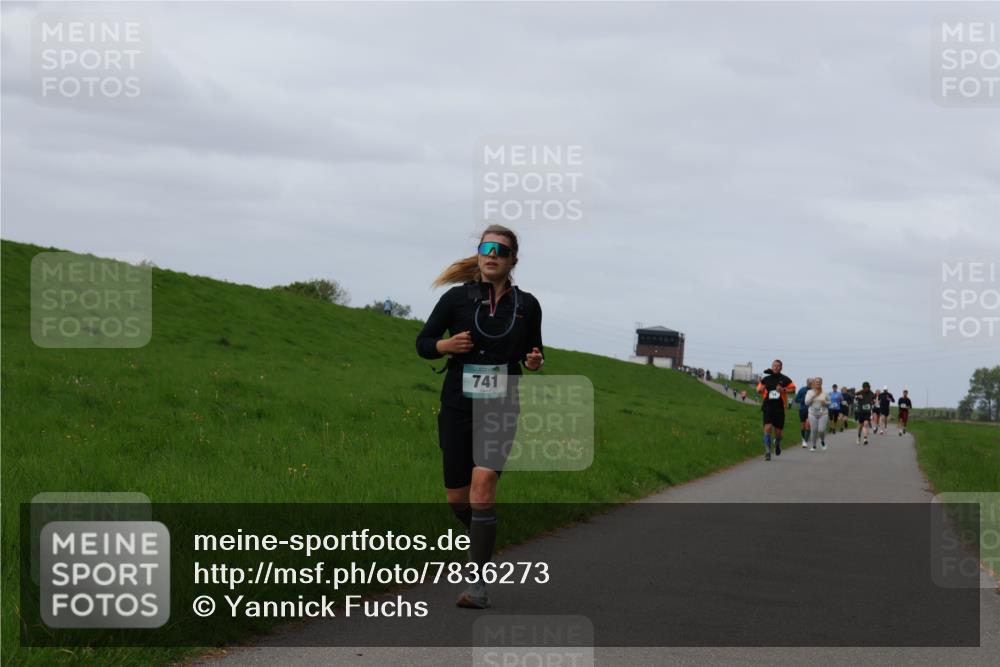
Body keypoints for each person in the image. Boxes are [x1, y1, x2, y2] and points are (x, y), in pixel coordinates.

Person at [415, 224, 544, 609]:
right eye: (486, 248)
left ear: (512, 260)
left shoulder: (527, 305)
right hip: (458, 403)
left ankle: (477, 584)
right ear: (479, 253)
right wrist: (445, 345)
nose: (492, 254)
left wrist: (534, 361)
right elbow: (423, 343)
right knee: (459, 499)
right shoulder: (456, 299)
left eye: (501, 250)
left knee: (483, 486)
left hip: (501, 403)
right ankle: (482, 542)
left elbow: (533, 352)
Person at [756, 360, 796, 461]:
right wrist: (760, 390)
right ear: (772, 367)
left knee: (778, 433)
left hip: (779, 407)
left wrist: (783, 390)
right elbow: (759, 389)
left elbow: (793, 389)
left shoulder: (785, 379)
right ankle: (767, 451)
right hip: (768, 406)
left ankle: (777, 443)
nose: (776, 367)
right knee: (768, 428)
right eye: (774, 365)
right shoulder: (766, 379)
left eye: (778, 366)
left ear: (781, 368)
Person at [804, 377, 830, 451]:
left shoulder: (825, 393)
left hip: (823, 413)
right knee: (814, 430)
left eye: (819, 382)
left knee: (821, 430)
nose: (818, 383)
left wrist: (825, 403)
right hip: (812, 413)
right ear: (814, 383)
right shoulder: (809, 392)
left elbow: (830, 403)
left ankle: (822, 441)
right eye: (816, 382)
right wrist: (814, 395)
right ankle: (814, 445)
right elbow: (806, 402)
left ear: (821, 383)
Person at [795, 380, 812, 448]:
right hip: (802, 409)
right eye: (809, 383)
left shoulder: (814, 391)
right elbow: (796, 399)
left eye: (811, 383)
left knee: (808, 425)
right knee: (803, 426)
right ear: (807, 383)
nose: (810, 384)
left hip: (811, 410)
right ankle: (803, 439)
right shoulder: (802, 390)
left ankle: (805, 441)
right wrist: (803, 400)